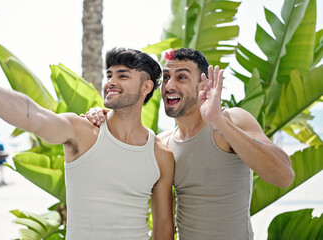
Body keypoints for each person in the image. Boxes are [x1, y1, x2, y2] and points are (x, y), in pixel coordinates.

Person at [0, 31, 175, 239]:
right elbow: (34, 115)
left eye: (123, 76)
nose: (111, 82)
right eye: (109, 75)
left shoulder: (160, 154)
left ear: (146, 87)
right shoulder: (83, 131)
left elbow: (164, 225)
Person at [85, 48, 295, 239]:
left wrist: (218, 122)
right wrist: (98, 120)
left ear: (203, 85)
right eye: (166, 77)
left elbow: (284, 175)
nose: (169, 86)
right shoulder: (164, 144)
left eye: (181, 77)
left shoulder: (232, 120)